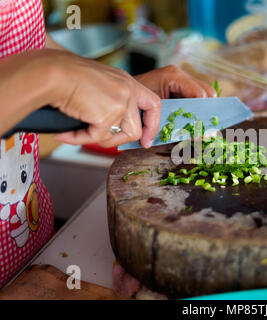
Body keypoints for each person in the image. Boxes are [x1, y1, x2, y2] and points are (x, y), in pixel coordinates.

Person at [0, 0, 215, 290]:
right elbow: (42, 71)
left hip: (31, 251)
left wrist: (115, 87)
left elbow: (20, 37)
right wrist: (54, 77)